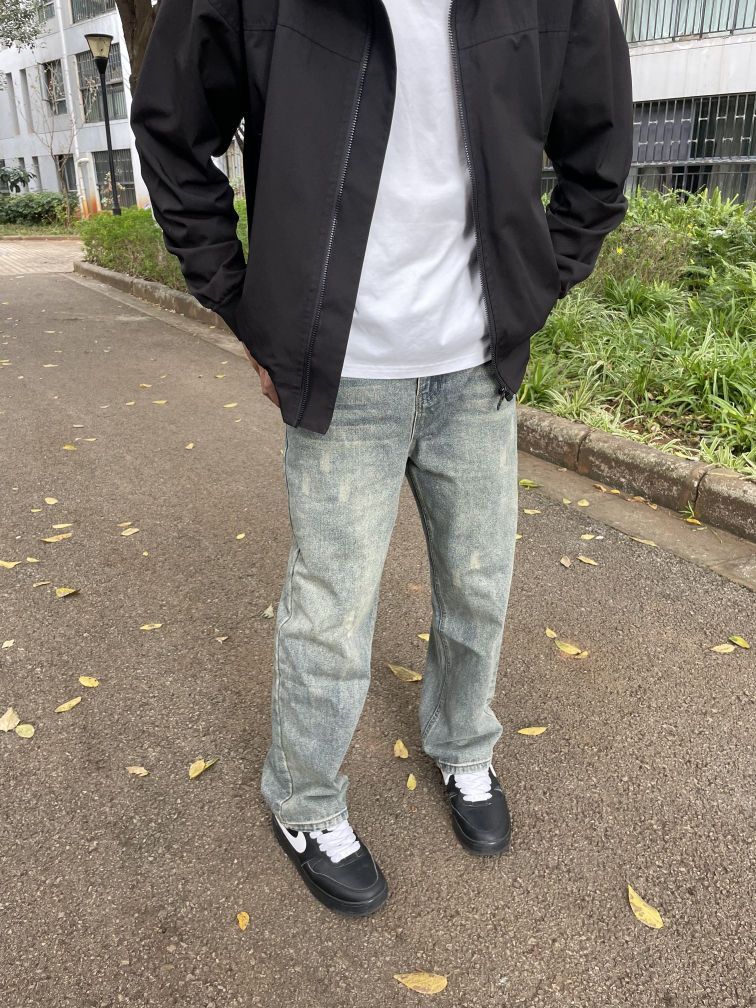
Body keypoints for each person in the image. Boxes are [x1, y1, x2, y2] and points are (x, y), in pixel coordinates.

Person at [130, 0, 633, 917]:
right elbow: (172, 131)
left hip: (476, 370)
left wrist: (532, 289)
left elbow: (599, 154)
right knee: (330, 612)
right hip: (343, 373)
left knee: (479, 585)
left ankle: (463, 746)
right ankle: (304, 800)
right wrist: (244, 303)